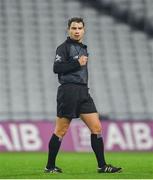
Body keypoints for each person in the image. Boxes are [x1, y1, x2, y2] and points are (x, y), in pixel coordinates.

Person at [44, 17, 122, 173]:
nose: (77, 31)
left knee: (97, 127)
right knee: (61, 130)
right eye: (74, 28)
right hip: (69, 91)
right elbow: (56, 68)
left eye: (80, 28)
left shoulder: (83, 48)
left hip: (83, 91)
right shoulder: (63, 48)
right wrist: (77, 63)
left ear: (84, 30)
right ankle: (50, 166)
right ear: (68, 30)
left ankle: (102, 166)